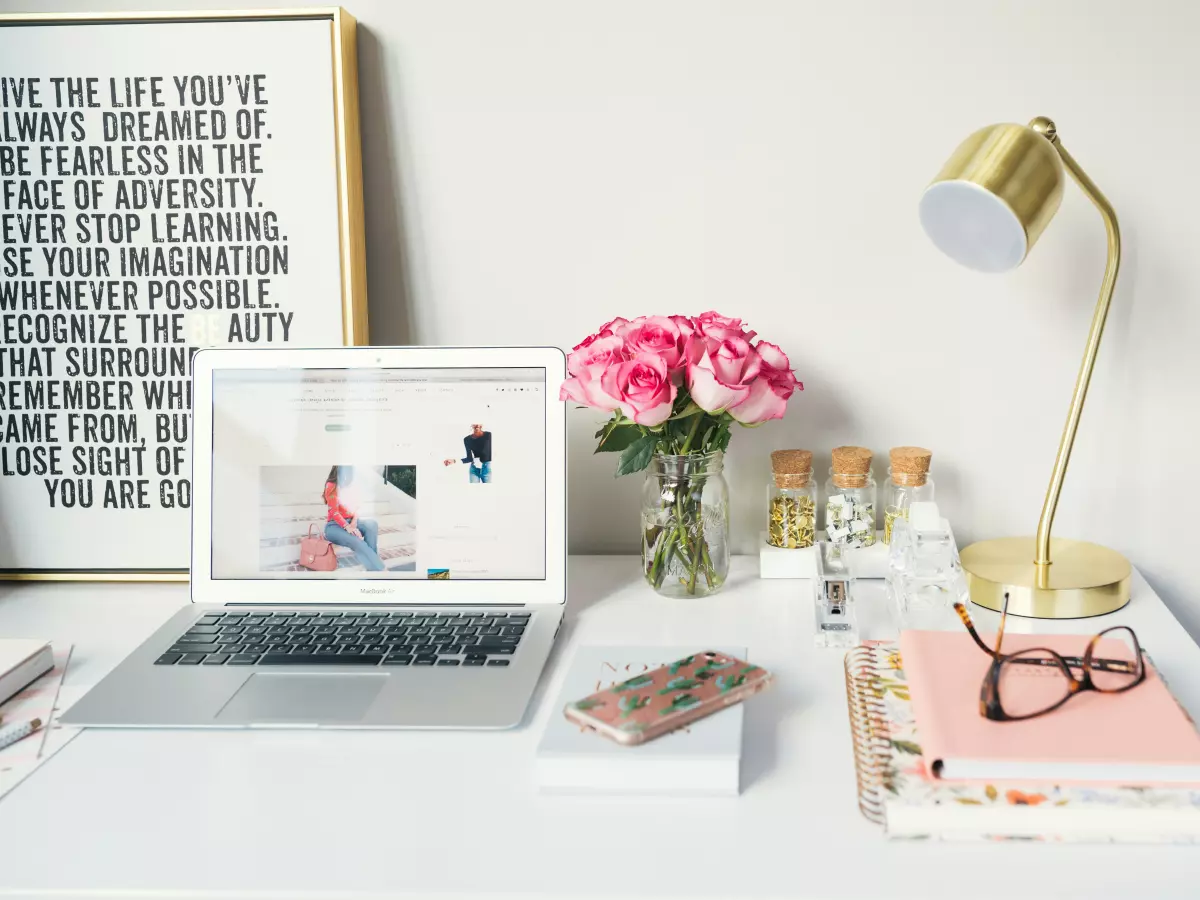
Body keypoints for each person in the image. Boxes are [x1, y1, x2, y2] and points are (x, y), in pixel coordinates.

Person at [321, 466, 385, 571]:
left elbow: (357, 508)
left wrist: (354, 523)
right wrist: (348, 527)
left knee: (372, 524)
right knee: (357, 541)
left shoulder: (352, 486)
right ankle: (379, 569)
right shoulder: (331, 485)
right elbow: (334, 512)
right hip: (334, 526)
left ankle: (372, 565)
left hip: (351, 522)